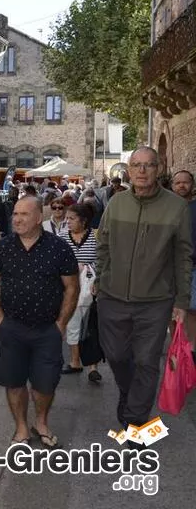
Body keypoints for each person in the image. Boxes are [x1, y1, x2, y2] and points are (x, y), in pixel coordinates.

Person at [95, 147, 192, 443]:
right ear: (128, 170)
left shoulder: (177, 207)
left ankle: (135, 422)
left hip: (155, 300)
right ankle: (130, 394)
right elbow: (104, 244)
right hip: (112, 296)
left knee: (147, 361)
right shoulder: (117, 203)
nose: (141, 171)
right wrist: (100, 278)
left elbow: (182, 256)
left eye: (148, 165)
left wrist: (181, 302)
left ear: (158, 168)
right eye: (136, 165)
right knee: (116, 355)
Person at [0, 196, 79, 448]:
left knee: (44, 384)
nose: (17, 219)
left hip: (47, 329)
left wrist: (61, 323)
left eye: (24, 214)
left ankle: (42, 422)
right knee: (14, 382)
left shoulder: (59, 248)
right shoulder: (3, 247)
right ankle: (22, 428)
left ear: (39, 218)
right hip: (12, 327)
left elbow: (72, 288)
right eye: (15, 214)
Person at [61, 203, 101, 382]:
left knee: (92, 325)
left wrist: (88, 269)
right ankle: (75, 361)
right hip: (69, 287)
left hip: (92, 287)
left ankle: (93, 367)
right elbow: (57, 260)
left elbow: (104, 260)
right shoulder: (62, 237)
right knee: (73, 323)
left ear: (83, 221)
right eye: (67, 218)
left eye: (71, 218)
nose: (67, 221)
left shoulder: (96, 236)